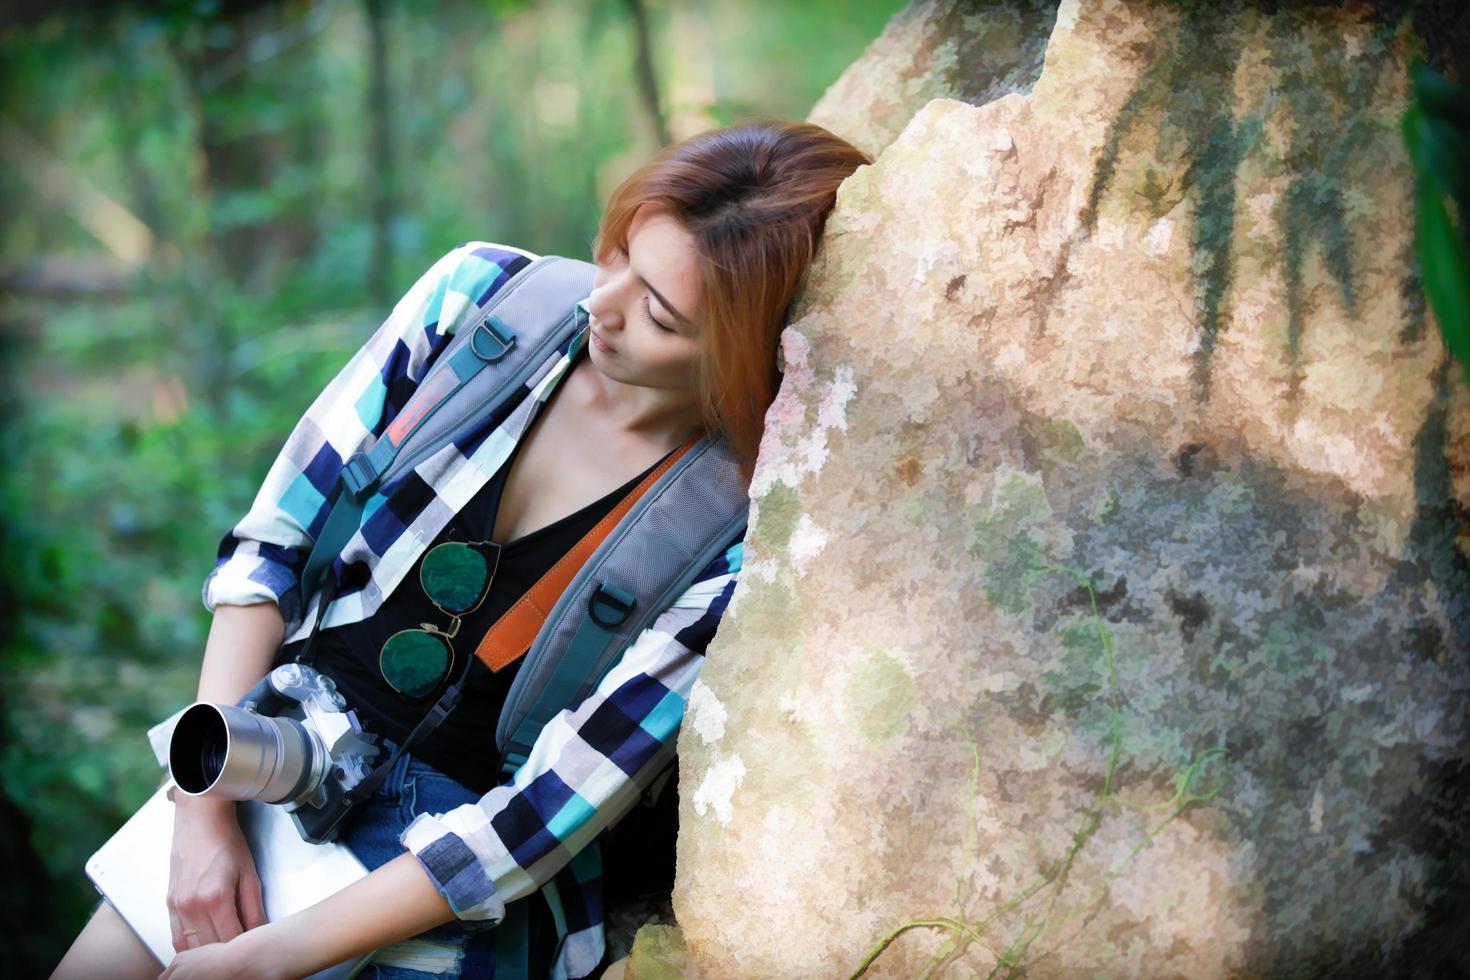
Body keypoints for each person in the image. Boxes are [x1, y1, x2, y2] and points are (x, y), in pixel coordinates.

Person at [52, 118, 871, 980]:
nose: (604, 303)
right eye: (619, 251)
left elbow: (548, 812)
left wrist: (271, 957)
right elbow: (269, 546)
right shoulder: (479, 302)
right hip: (268, 751)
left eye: (660, 314)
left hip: (451, 873)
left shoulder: (740, 527)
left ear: (744, 353)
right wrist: (199, 807)